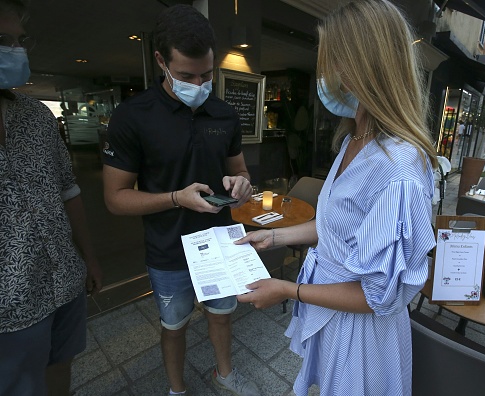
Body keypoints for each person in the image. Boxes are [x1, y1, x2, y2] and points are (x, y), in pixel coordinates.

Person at [235, 1, 437, 394]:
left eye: (333, 62)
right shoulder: (353, 139)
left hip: (359, 334)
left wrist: (286, 289)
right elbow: (337, 228)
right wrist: (274, 236)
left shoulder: (398, 169)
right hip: (330, 310)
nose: (325, 75)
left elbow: (375, 294)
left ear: (364, 66)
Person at [102, 5, 258, 396]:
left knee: (223, 315)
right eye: (187, 75)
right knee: (174, 324)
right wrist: (175, 198)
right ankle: (177, 390)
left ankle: (225, 375)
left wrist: (240, 186)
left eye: (206, 74)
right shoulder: (132, 117)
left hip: (222, 240)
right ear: (161, 61)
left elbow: (242, 173)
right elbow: (115, 199)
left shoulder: (223, 113)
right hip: (168, 248)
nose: (199, 83)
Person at [0, 0, 102, 394]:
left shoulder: (37, 115)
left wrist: (89, 258)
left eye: (19, 40)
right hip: (10, 304)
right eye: (2, 40)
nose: (15, 50)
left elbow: (68, 190)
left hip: (64, 279)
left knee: (61, 366)